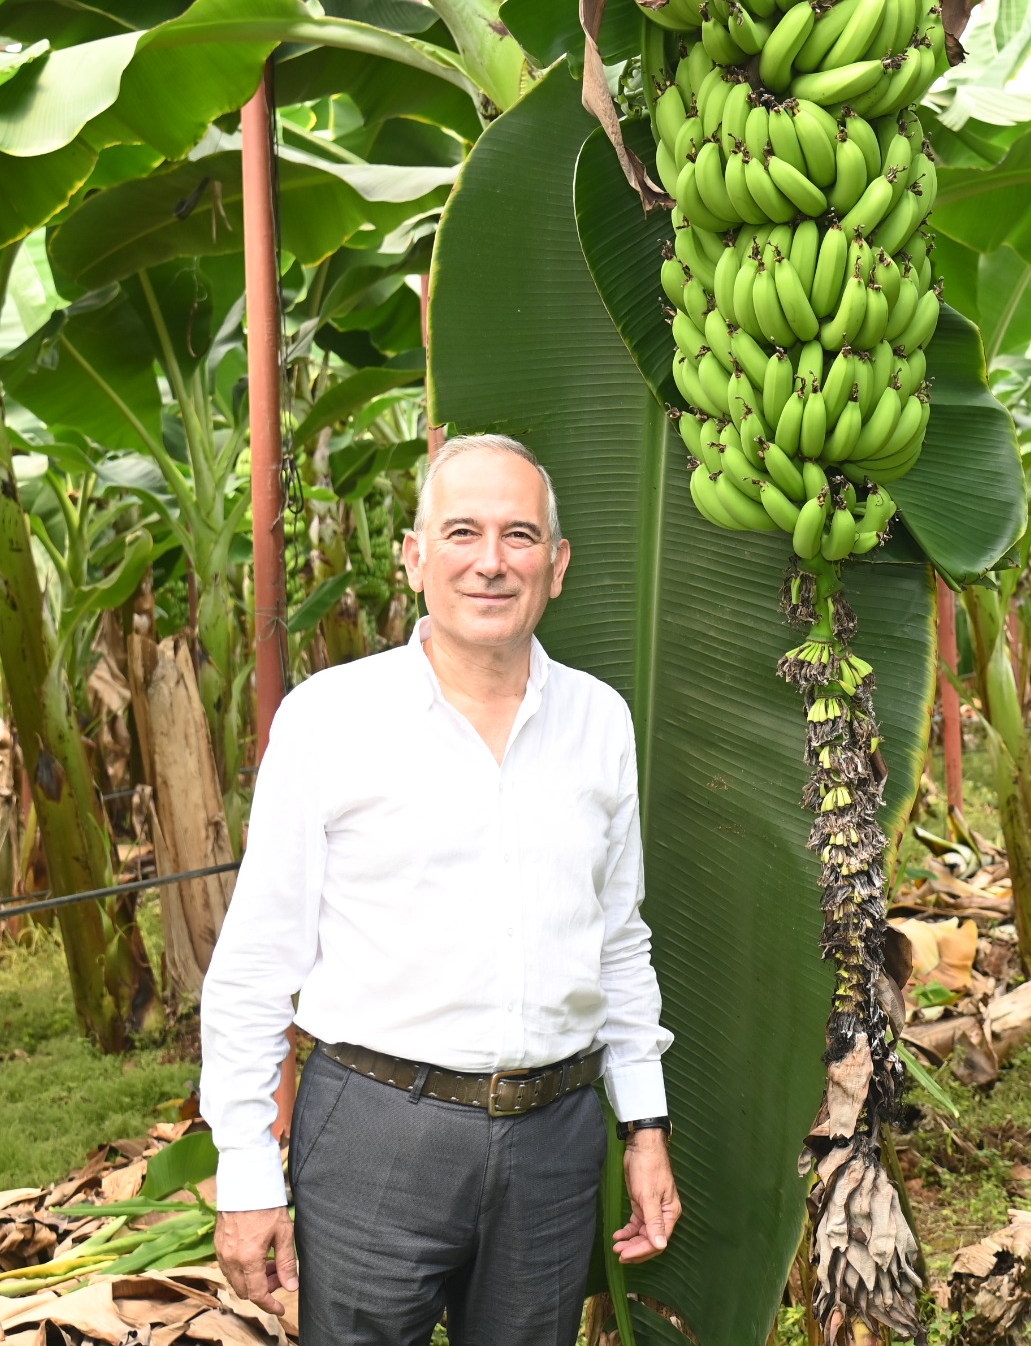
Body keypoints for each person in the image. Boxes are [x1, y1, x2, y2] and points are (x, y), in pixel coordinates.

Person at [202, 433, 679, 1344]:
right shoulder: (330, 719)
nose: (491, 561)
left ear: (557, 565)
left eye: (519, 535)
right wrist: (247, 1173)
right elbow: (256, 965)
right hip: (379, 1127)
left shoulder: (599, 720)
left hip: (554, 1137)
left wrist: (645, 1124)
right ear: (415, 557)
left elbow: (619, 939)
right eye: (462, 532)